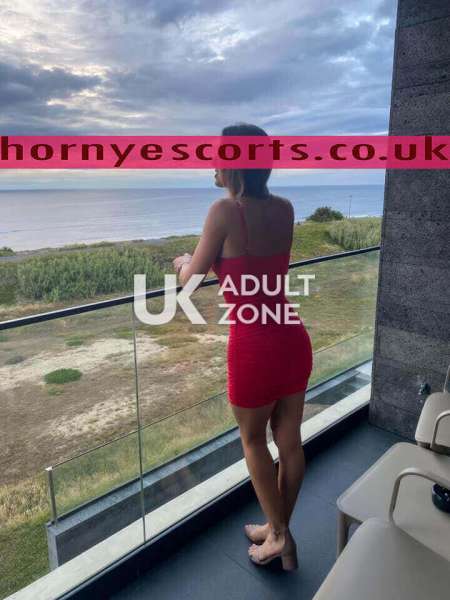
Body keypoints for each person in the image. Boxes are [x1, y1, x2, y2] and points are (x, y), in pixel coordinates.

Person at [173, 123, 313, 570]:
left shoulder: (222, 211)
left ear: (233, 163)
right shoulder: (285, 209)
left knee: (253, 441)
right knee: (289, 442)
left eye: (217, 156)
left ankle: (280, 539)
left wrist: (182, 262)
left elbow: (190, 280)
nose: (212, 165)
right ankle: (277, 530)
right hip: (291, 335)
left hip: (254, 345)